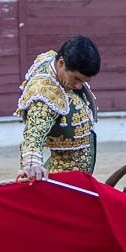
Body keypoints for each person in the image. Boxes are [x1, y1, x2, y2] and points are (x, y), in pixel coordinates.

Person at [15, 34, 100, 181]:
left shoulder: (55, 63)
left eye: (84, 81)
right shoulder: (45, 92)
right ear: (61, 63)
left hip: (73, 173)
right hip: (63, 179)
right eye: (77, 79)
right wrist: (32, 163)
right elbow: (33, 135)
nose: (79, 86)